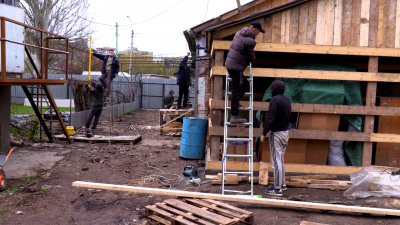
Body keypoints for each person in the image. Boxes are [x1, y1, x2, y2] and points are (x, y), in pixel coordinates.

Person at [225, 21, 264, 123]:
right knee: (236, 89)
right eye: (258, 32)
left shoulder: (239, 33)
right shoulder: (250, 41)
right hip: (236, 66)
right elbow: (251, 56)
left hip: (231, 64)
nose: (258, 34)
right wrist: (253, 58)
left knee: (244, 83)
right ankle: (234, 115)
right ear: (255, 29)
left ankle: (236, 103)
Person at [260, 80, 291, 196]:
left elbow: (270, 118)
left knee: (276, 161)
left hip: (277, 134)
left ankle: (277, 189)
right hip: (285, 133)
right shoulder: (287, 100)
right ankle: (282, 184)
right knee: (281, 159)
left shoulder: (274, 100)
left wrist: (264, 132)